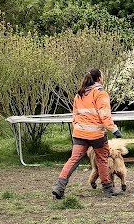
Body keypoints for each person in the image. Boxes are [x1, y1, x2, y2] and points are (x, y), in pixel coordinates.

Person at [51, 68, 124, 199]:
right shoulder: (101, 93)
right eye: (103, 75)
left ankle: (59, 186)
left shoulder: (80, 94)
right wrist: (115, 130)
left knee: (73, 160)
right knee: (102, 159)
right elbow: (105, 115)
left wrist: (78, 127)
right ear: (99, 78)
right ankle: (108, 188)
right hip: (96, 135)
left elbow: (74, 115)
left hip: (79, 133)